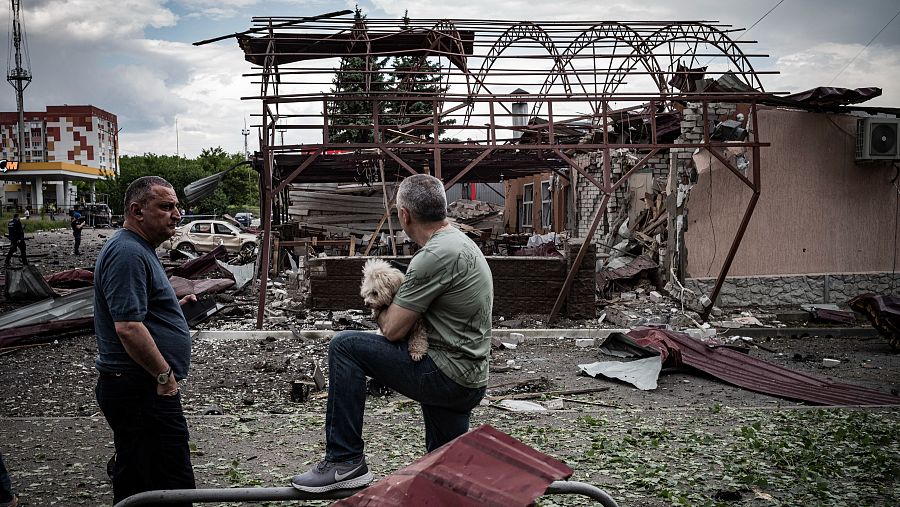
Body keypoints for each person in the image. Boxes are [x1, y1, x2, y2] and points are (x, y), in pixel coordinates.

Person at [291, 173, 493, 493]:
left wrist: (380, 302)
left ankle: (345, 461)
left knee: (345, 347)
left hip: (446, 375)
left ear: (404, 215)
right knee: (446, 475)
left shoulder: (433, 255)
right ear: (442, 208)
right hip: (470, 376)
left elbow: (394, 331)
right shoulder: (461, 243)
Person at [94, 176, 197, 505]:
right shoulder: (127, 252)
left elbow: (136, 313)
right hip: (142, 386)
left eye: (177, 206)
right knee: (171, 481)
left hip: (138, 385)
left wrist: (171, 312)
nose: (177, 214)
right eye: (166, 207)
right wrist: (164, 375)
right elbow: (127, 327)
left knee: (140, 477)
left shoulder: (138, 249)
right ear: (137, 211)